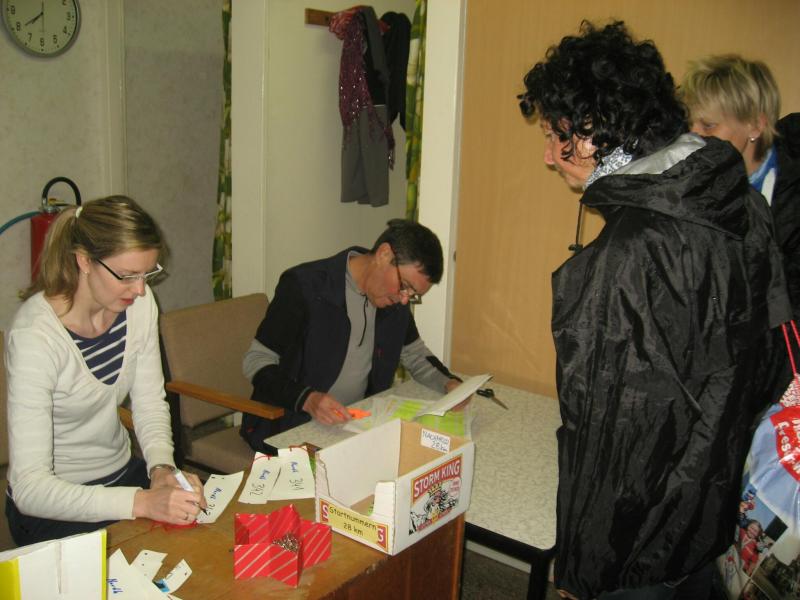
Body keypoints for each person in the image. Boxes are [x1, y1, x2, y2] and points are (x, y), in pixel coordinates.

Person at [518, 21, 791, 599]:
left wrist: (580, 574)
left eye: (555, 135)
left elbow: (611, 445)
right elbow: (768, 365)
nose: (547, 157)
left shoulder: (625, 256)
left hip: (636, 553)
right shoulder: (744, 206)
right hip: (709, 519)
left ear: (598, 127)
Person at [5, 196, 206, 546]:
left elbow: (149, 403)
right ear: (84, 260)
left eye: (147, 273)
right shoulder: (35, 336)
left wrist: (161, 469)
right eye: (127, 276)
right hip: (55, 504)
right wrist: (142, 502)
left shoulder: (139, 305)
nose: (140, 289)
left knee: (193, 548)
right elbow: (30, 489)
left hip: (120, 475)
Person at [240, 219, 462, 450]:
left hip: (355, 424)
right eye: (405, 285)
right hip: (292, 424)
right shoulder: (305, 286)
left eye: (413, 294)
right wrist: (307, 399)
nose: (405, 299)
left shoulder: (394, 303)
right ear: (384, 254)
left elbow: (415, 355)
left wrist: (450, 384)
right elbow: (256, 360)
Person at [681, 54, 800, 403]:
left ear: (755, 125)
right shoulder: (696, 183)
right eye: (690, 124)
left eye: (708, 126)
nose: (693, 136)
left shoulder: (792, 195)